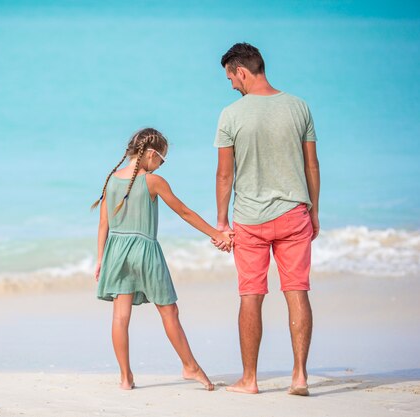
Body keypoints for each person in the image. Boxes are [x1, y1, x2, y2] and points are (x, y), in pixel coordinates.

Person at [213, 43, 321, 396]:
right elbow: (311, 166)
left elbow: (224, 176)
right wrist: (314, 209)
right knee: (297, 292)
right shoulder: (299, 106)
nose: (231, 85)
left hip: (250, 219)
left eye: (230, 77)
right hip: (294, 213)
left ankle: (250, 380)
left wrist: (221, 221)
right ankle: (300, 376)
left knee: (250, 296)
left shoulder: (231, 114)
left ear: (241, 72)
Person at [92, 127, 232, 391]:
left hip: (116, 252)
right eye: (162, 160)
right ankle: (190, 366)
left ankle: (125, 378)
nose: (160, 166)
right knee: (169, 312)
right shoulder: (152, 181)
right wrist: (216, 234)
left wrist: (100, 259)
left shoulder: (111, 180)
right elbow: (184, 212)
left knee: (120, 318)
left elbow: (103, 224)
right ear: (151, 154)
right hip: (145, 252)